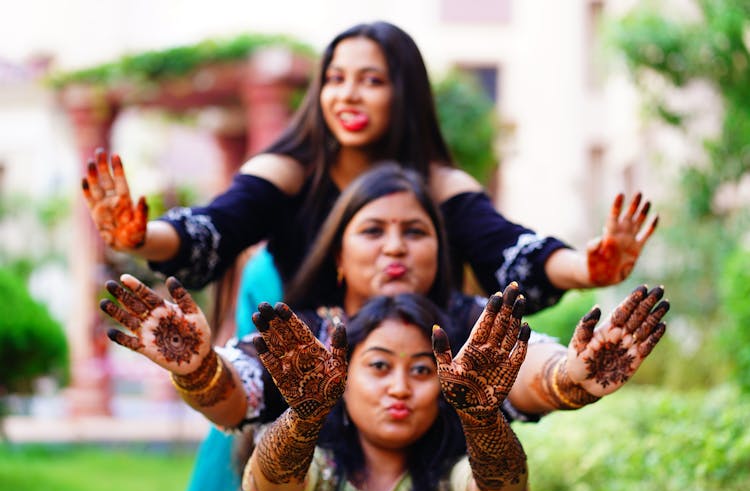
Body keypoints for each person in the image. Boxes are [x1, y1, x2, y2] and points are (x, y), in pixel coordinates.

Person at [99, 166, 669, 491]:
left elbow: (534, 366)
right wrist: (199, 369)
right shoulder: (303, 334)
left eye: (414, 231)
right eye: (373, 230)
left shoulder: (471, 320)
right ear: (339, 255)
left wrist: (571, 377)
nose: (395, 245)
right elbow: (236, 394)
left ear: (439, 250)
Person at [81, 21, 658, 315]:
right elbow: (213, 229)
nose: (348, 96)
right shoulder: (288, 172)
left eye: (371, 80)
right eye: (335, 78)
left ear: (404, 92)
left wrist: (589, 266)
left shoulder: (439, 187)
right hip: (296, 389)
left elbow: (511, 251)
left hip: (405, 389)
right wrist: (143, 235)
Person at [243, 288, 530, 491]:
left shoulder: (452, 478)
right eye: (380, 365)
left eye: (420, 370)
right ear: (342, 378)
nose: (400, 388)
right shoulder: (319, 470)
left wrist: (482, 421)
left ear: (445, 388)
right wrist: (304, 418)